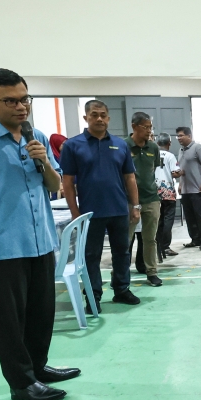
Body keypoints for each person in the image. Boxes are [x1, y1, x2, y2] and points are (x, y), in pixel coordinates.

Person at [0, 68, 80, 400]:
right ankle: (21, 383)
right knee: (10, 320)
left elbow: (53, 186)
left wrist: (45, 163)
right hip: (1, 246)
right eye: (11, 101)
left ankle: (37, 367)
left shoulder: (34, 134)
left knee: (41, 312)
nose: (21, 106)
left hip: (40, 242)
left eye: (25, 99)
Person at [61, 100, 141, 309]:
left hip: (118, 210)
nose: (99, 119)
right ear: (86, 117)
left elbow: (130, 178)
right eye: (94, 115)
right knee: (91, 256)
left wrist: (135, 206)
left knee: (122, 252)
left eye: (103, 115)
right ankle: (93, 297)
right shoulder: (72, 145)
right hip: (89, 214)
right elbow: (67, 182)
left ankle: (122, 290)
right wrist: (75, 213)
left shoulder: (120, 144)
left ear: (108, 117)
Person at [124, 112, 163, 287]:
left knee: (150, 239)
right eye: (145, 127)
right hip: (128, 201)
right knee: (125, 239)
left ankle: (152, 272)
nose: (149, 131)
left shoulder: (153, 148)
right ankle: (121, 274)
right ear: (134, 126)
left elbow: (152, 170)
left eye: (150, 127)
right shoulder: (123, 146)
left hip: (151, 198)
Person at [173, 126, 201, 250]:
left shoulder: (198, 148)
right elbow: (182, 169)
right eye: (177, 136)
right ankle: (195, 239)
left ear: (189, 136)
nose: (178, 138)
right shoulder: (181, 150)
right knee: (189, 217)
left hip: (198, 189)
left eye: (181, 135)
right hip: (186, 190)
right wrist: (180, 184)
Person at [153, 133, 179, 259]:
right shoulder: (170, 156)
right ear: (169, 143)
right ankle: (165, 246)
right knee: (168, 219)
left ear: (157, 144)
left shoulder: (153, 154)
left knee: (158, 219)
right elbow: (175, 173)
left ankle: (157, 245)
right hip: (168, 191)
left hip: (155, 191)